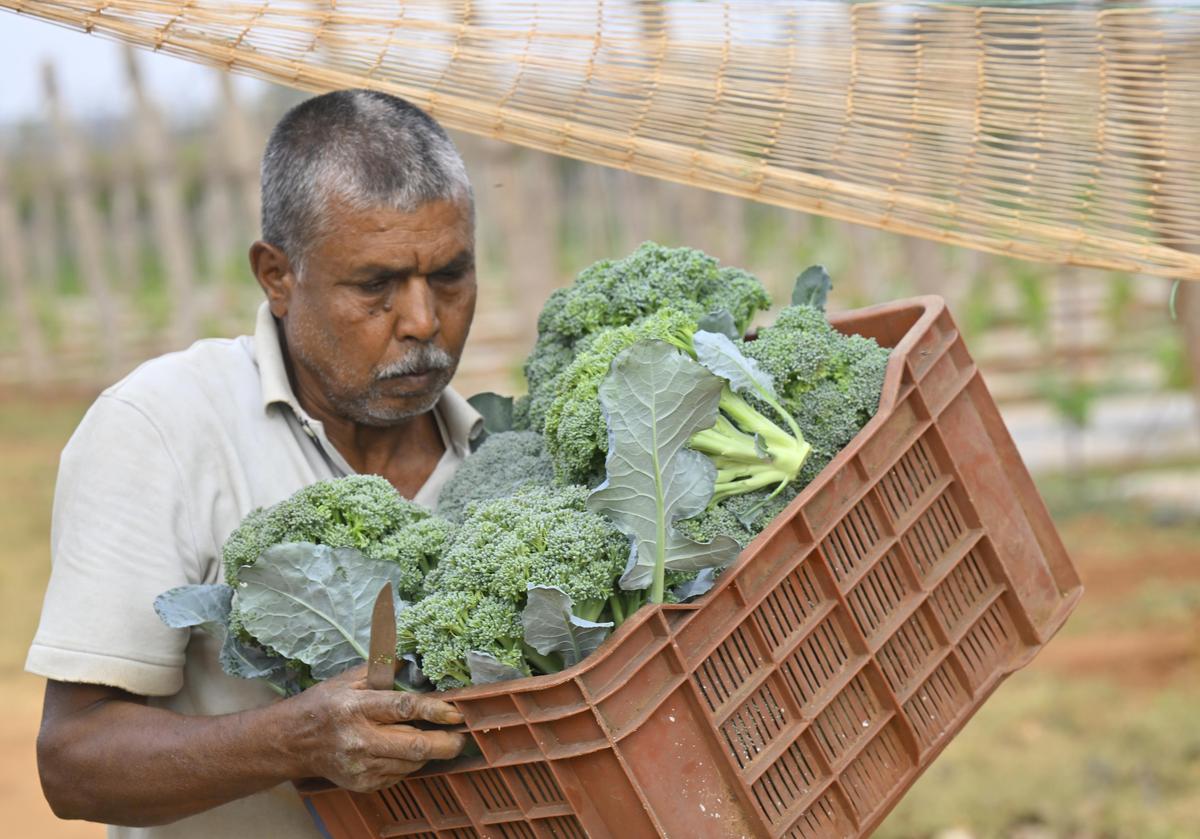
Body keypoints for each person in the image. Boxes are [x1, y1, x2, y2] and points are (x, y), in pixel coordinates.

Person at [26, 89, 483, 837]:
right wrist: (294, 738)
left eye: (449, 275)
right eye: (376, 285)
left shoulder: (503, 460)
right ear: (276, 275)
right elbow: (73, 760)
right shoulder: (162, 429)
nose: (423, 321)